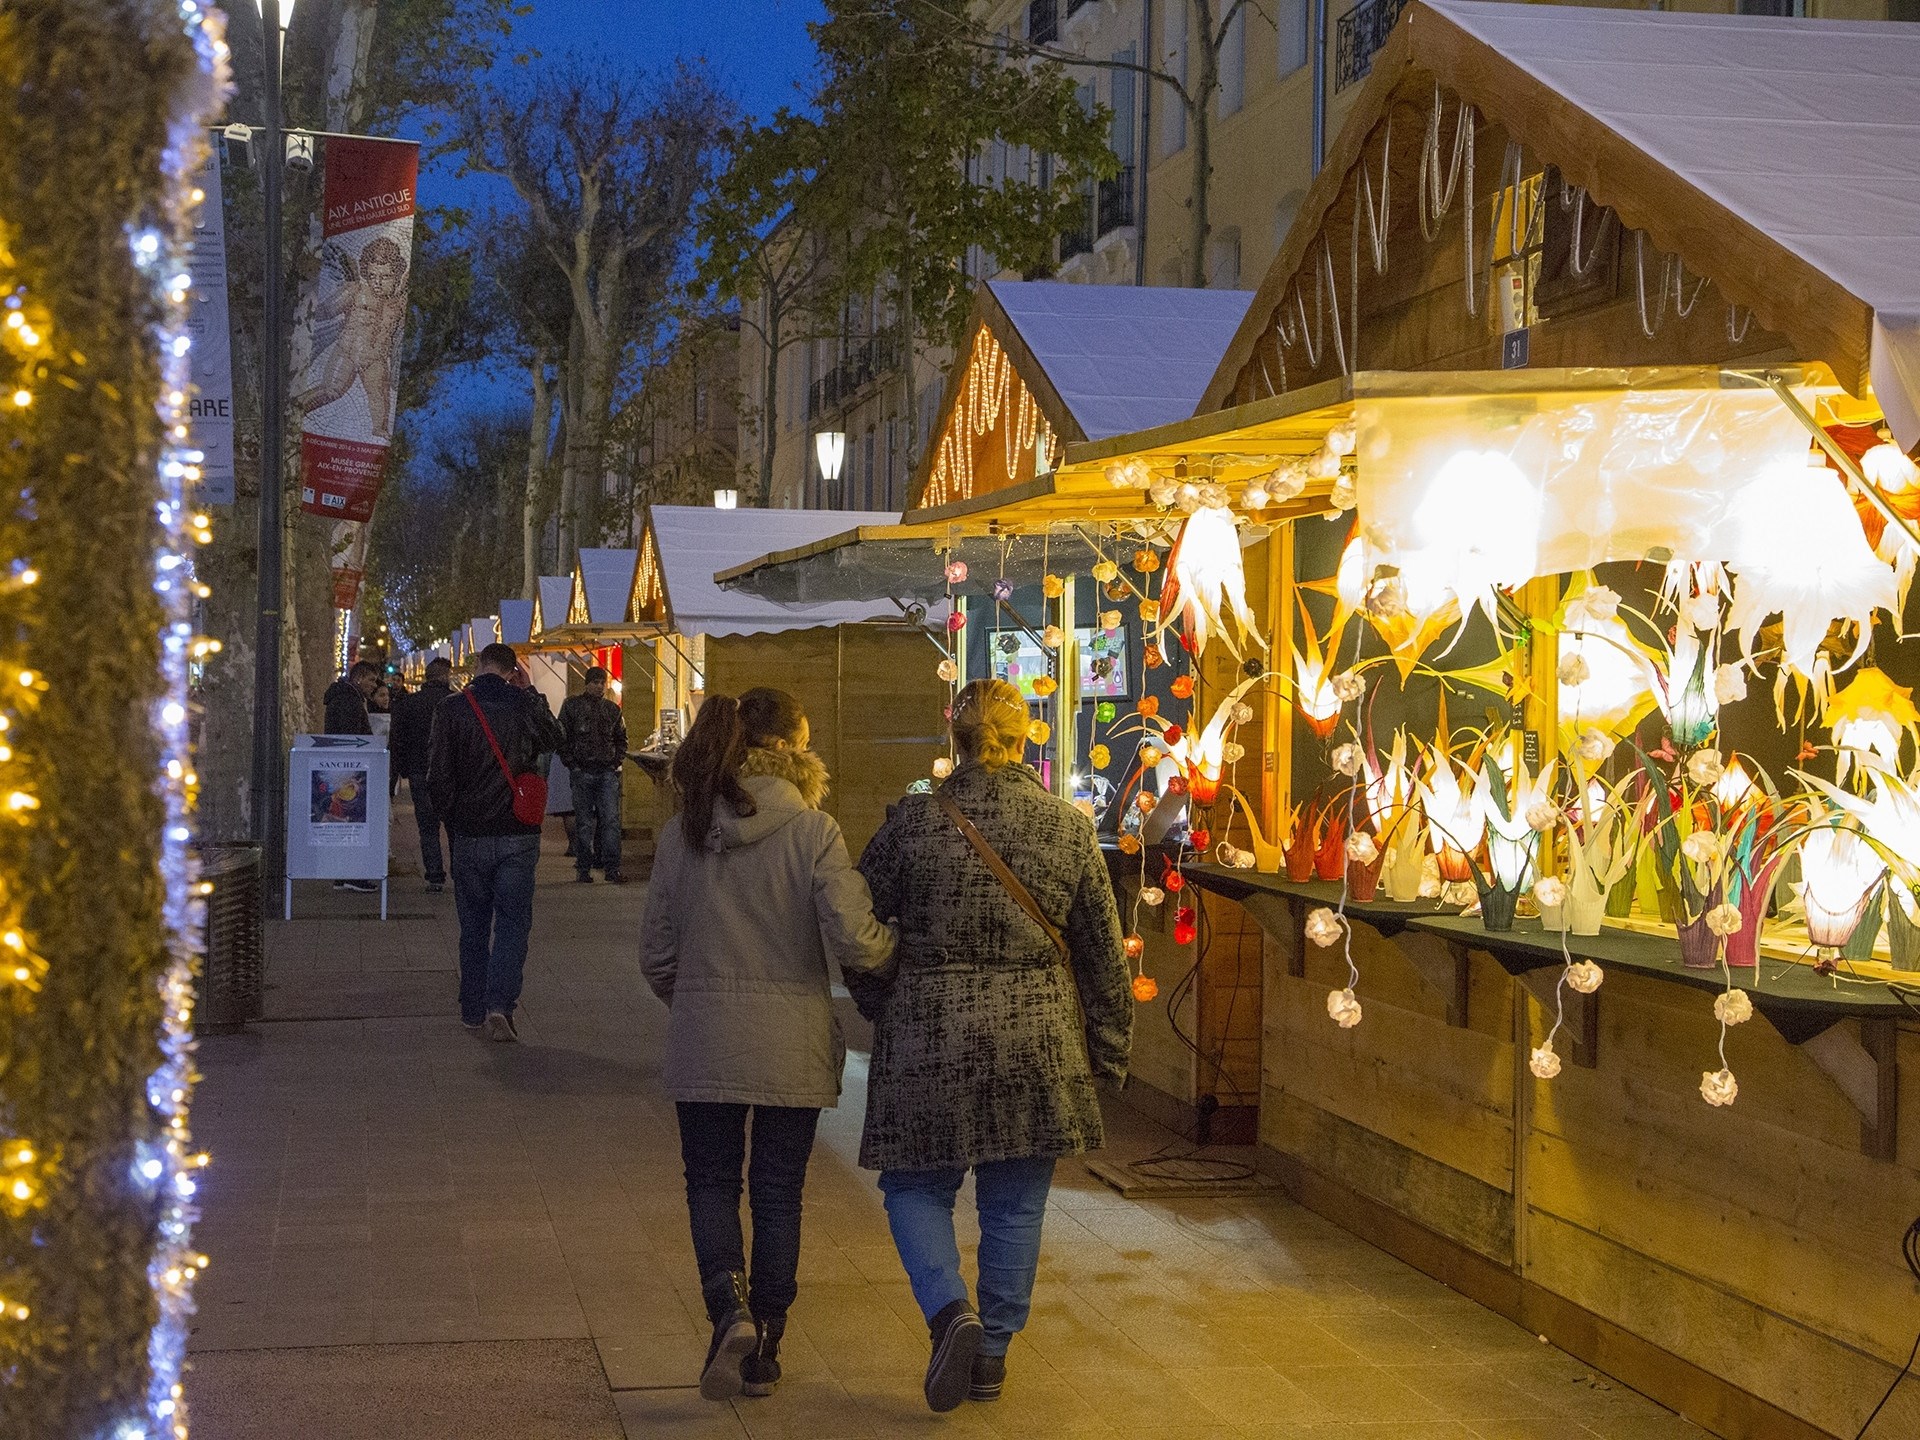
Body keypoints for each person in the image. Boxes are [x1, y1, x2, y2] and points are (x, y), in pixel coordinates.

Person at [852, 678, 1132, 1413]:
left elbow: (854, 924)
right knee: (1015, 1204)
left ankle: (952, 1315)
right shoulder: (1068, 828)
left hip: (928, 1029)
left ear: (956, 740)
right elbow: (1104, 954)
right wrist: (1108, 1052)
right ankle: (993, 1357)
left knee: (915, 1186)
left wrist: (882, 1000)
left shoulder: (911, 823)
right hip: (1035, 1037)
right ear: (1023, 740)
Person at [641, 688, 895, 1404]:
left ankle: (729, 1308)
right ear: (789, 749)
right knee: (780, 1193)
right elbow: (853, 937)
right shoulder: (814, 831)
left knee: (711, 1183)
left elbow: (656, 953)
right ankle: (767, 1352)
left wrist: (694, 1002)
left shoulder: (680, 834)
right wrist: (894, 952)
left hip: (704, 1041)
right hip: (792, 1041)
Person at [427, 642, 563, 1041]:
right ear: (512, 669)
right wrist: (532, 692)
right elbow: (557, 740)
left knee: (472, 924)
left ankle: (471, 1008)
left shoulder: (451, 709)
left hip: (469, 832)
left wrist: (452, 819)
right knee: (513, 921)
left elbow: (438, 776)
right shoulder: (523, 704)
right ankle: (500, 1005)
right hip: (517, 833)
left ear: (477, 665)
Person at [557, 665, 629, 884]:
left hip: (604, 771)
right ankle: (586, 867)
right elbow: (562, 737)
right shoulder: (573, 707)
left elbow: (621, 739)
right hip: (584, 771)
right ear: (587, 684)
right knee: (588, 823)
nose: (599, 686)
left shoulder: (612, 710)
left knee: (609, 822)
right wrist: (572, 764)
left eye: (602, 682)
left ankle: (609, 867)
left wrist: (614, 762)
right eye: (595, 682)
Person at [391, 658, 453, 892]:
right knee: (454, 826)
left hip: (419, 772)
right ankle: (460, 871)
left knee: (427, 828)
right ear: (445, 675)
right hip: (450, 774)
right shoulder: (454, 702)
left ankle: (435, 875)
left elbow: (398, 740)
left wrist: (399, 771)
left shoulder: (409, 703)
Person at [323, 659, 378, 735]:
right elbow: (351, 740)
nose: (375, 685)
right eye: (372, 680)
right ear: (359, 678)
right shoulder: (349, 701)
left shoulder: (346, 697)